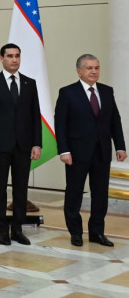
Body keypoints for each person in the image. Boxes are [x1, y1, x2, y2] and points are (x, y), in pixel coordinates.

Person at [55, 54, 126, 247]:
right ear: (79, 71)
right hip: (76, 153)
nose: (94, 71)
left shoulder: (107, 91)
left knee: (100, 194)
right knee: (74, 193)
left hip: (102, 151)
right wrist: (64, 150)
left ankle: (97, 232)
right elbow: (60, 124)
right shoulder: (67, 93)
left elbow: (115, 121)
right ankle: (76, 233)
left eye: (96, 67)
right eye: (89, 68)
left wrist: (120, 146)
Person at [0, 43, 41, 246]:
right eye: (10, 56)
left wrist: (37, 144)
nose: (14, 59)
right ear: (1, 58)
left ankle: (17, 229)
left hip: (24, 146)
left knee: (20, 189)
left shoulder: (30, 83)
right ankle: (2, 229)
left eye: (17, 56)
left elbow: (35, 116)